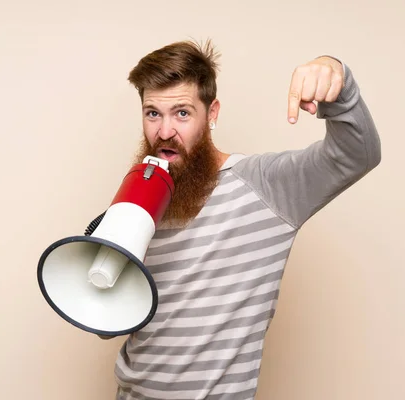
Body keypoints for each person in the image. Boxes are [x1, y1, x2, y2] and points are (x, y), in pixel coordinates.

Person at [106, 39, 381, 400]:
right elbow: (107, 323)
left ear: (212, 112)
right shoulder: (139, 197)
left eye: (183, 113)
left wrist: (335, 73)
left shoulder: (265, 186)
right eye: (152, 113)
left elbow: (357, 155)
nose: (164, 131)